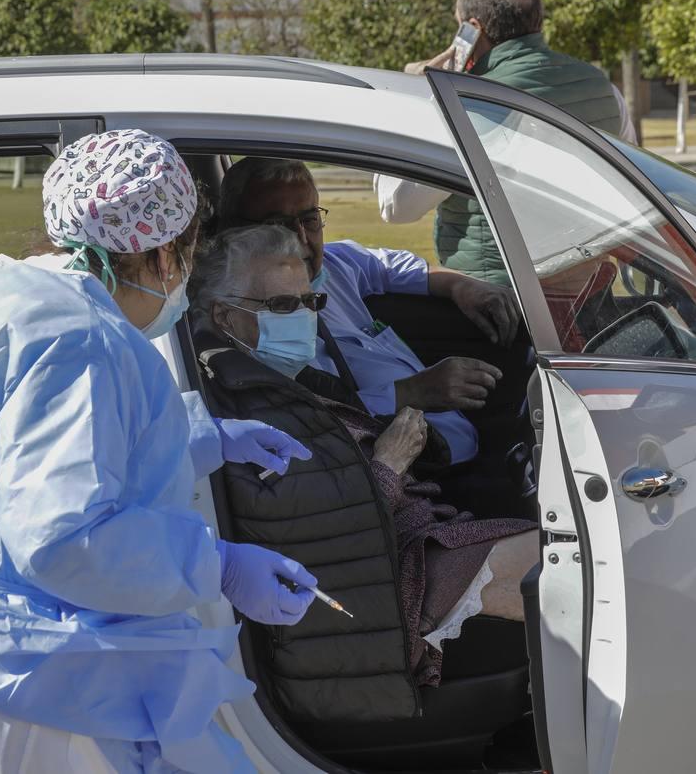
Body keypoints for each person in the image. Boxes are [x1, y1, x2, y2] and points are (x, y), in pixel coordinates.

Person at [0, 129, 318, 774]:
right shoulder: (82, 338)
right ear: (166, 253)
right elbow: (64, 536)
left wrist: (199, 440)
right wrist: (215, 562)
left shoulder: (3, 300)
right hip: (23, 688)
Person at [189, 225, 537, 694]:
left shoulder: (285, 378)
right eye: (283, 308)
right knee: (579, 564)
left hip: (414, 537)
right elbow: (310, 528)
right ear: (226, 318)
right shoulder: (248, 400)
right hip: (398, 578)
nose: (302, 321)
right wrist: (390, 463)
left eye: (310, 303)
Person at [216, 156, 519, 474]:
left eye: (309, 219)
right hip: (399, 479)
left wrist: (462, 285)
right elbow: (308, 420)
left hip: (452, 459)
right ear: (234, 231)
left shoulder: (337, 264)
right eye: (277, 226)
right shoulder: (239, 317)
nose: (301, 241)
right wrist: (411, 393)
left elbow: (395, 266)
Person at [394, 0, 631, 285]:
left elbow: (398, 206)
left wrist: (414, 96)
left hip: (495, 305)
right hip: (584, 299)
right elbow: (630, 193)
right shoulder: (604, 89)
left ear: (472, 29)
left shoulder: (464, 104)